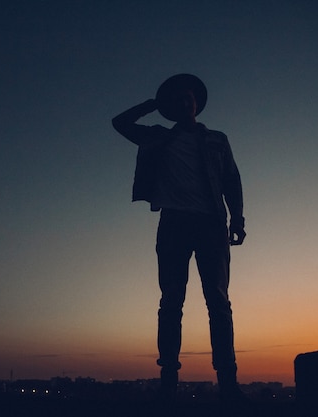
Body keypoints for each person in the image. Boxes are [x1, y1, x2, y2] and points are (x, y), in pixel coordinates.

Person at [112, 74, 247, 404]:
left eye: (189, 98)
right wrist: (154, 105)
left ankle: (228, 382)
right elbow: (120, 122)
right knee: (171, 302)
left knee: (218, 301)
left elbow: (232, 179)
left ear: (196, 103)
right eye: (178, 100)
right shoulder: (157, 137)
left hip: (211, 224)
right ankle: (168, 382)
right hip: (173, 223)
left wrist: (238, 218)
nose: (185, 103)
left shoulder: (217, 139)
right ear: (171, 107)